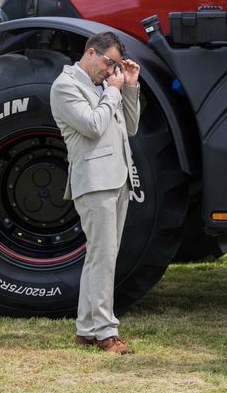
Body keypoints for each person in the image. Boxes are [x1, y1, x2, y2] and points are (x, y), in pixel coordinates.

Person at [50, 31, 140, 355]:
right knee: (103, 257)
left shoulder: (106, 88)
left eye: (116, 65)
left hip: (118, 179)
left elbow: (130, 127)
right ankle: (106, 332)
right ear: (91, 52)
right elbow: (92, 125)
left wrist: (129, 87)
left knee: (101, 256)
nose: (110, 71)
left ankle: (85, 328)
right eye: (109, 63)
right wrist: (114, 93)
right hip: (93, 182)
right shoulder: (65, 86)